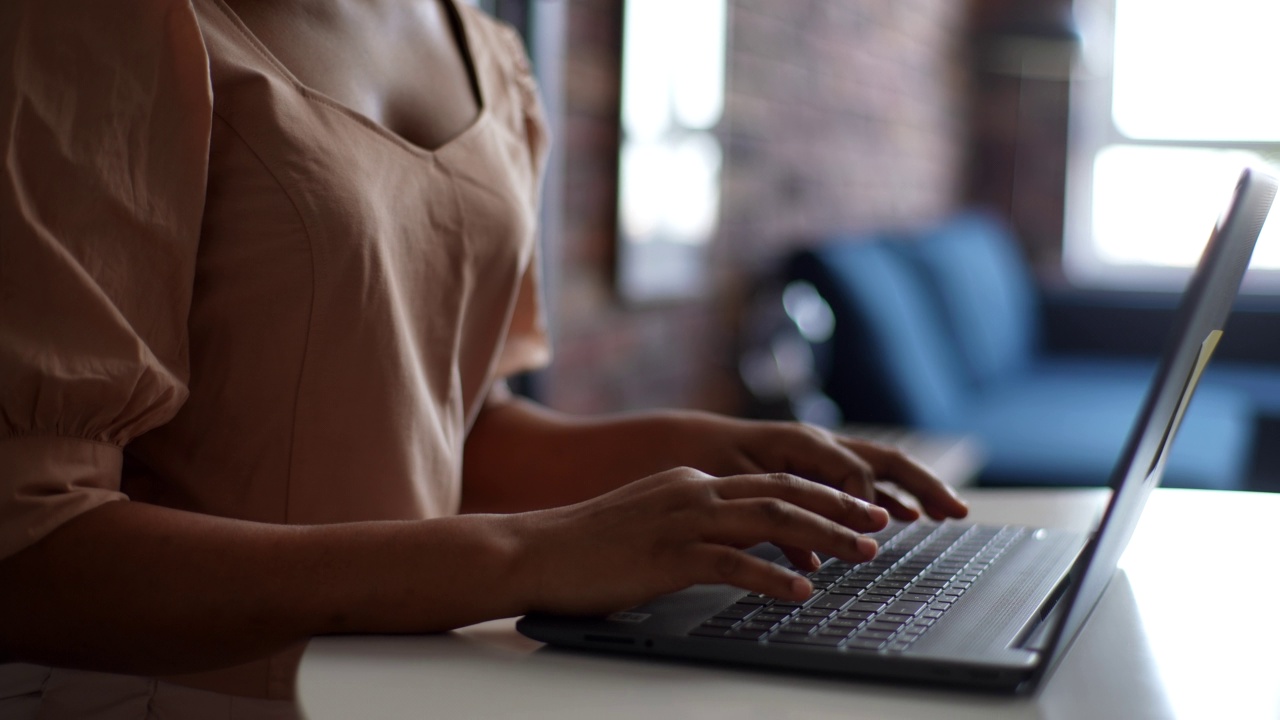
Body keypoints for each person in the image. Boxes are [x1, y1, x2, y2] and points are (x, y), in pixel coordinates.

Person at [0, 0, 968, 712]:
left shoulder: (485, 47)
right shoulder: (102, 23)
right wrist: (526, 556)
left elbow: (452, 427)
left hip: (415, 681)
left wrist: (712, 460)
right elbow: (33, 552)